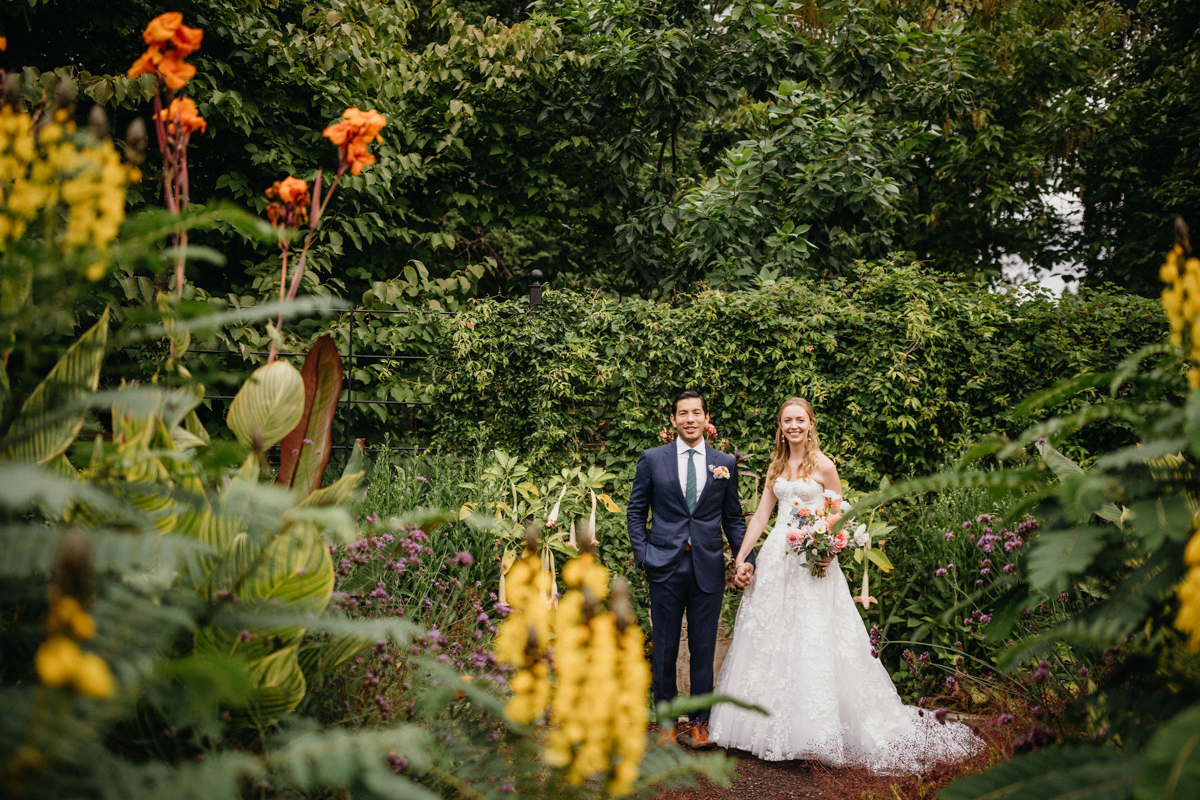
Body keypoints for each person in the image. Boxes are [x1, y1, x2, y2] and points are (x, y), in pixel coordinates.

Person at [709, 397, 983, 771]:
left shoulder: (824, 465)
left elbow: (838, 514)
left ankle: (813, 733)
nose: (793, 426)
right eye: (787, 420)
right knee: (770, 637)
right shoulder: (775, 466)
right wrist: (742, 557)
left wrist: (829, 548)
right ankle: (765, 730)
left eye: (799, 420)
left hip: (812, 562)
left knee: (813, 637)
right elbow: (761, 515)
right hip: (777, 559)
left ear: (810, 424)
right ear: (781, 425)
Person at [626, 390, 754, 749]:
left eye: (696, 413)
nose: (690, 419)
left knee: (703, 648)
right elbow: (636, 512)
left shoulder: (724, 463)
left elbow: (733, 518)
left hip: (707, 567)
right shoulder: (653, 459)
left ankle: (700, 724)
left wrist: (747, 557)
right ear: (673, 420)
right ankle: (666, 723)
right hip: (664, 566)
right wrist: (644, 556)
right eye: (682, 413)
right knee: (665, 648)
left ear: (706, 418)